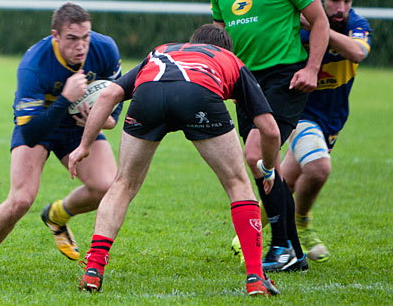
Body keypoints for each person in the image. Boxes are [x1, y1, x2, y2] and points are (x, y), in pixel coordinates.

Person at [70, 25, 281, 296]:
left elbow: (110, 94)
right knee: (238, 183)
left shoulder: (161, 51)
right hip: (199, 95)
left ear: (192, 42)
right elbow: (271, 130)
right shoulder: (230, 60)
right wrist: (268, 168)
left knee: (123, 184)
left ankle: (94, 269)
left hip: (149, 95)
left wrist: (84, 146)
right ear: (226, 49)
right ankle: (255, 277)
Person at [209, 0, 329, 272]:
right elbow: (221, 41)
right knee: (267, 166)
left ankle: (282, 246)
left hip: (284, 77)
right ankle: (290, 250)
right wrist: (221, 79)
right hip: (244, 81)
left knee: (255, 155)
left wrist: (311, 68)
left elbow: (320, 23)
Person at [0, 2, 122, 276]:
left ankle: (57, 215)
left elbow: (117, 92)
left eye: (85, 37)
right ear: (55, 36)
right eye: (72, 39)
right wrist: (65, 99)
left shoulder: (105, 48)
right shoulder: (34, 65)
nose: (81, 46)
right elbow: (31, 132)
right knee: (21, 199)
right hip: (38, 124)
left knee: (107, 186)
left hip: (77, 125)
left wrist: (108, 119)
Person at [281, 0, 371, 263]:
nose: (341, 8)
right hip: (300, 111)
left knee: (288, 179)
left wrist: (321, 26)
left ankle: (254, 227)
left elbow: (357, 53)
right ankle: (300, 223)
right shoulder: (297, 26)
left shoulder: (356, 24)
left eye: (347, 1)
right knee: (318, 168)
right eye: (334, 1)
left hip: (333, 117)